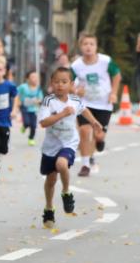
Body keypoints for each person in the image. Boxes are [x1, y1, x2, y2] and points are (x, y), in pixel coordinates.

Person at [38, 66, 103, 228]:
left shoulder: (75, 100)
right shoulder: (49, 101)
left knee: (62, 164)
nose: (60, 85)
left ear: (71, 84)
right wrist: (61, 114)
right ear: (51, 83)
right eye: (57, 82)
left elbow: (84, 110)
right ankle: (49, 208)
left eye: (64, 82)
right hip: (51, 145)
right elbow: (43, 123)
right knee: (51, 180)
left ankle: (66, 192)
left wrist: (94, 121)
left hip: (69, 142)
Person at [71, 33, 119, 177]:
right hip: (85, 104)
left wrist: (114, 93)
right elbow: (68, 82)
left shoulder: (106, 61)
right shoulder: (76, 65)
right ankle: (85, 165)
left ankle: (99, 141)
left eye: (92, 44)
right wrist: (75, 90)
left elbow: (117, 75)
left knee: (98, 135)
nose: (88, 47)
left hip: (104, 104)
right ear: (81, 47)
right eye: (85, 44)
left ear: (96, 47)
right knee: (85, 131)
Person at [17, 70, 44, 145]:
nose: (35, 79)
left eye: (36, 77)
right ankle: (24, 126)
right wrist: (18, 101)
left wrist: (38, 101)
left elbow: (40, 98)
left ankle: (31, 138)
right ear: (28, 79)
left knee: (34, 125)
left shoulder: (38, 88)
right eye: (33, 77)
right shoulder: (23, 87)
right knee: (27, 122)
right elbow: (16, 93)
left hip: (34, 109)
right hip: (24, 107)